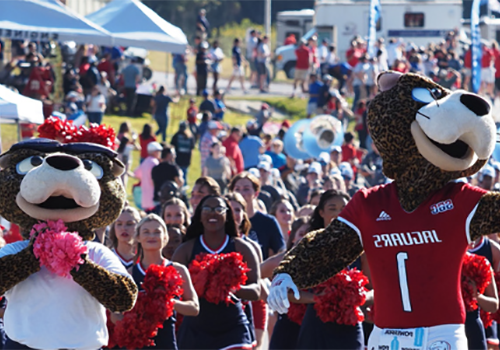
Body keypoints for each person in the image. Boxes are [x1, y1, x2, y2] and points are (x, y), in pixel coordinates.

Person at [173, 195, 261, 350]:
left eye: (219, 209)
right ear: (199, 215)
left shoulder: (242, 247)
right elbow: (172, 288)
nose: (212, 213)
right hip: (196, 329)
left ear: (227, 216)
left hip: (232, 327)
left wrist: (230, 288)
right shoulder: (186, 250)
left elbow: (256, 290)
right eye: (207, 209)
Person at [132, 214, 199, 350]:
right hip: (136, 343)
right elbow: (116, 314)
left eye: (157, 232)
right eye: (146, 232)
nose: (152, 236)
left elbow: (194, 308)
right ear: (138, 237)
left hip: (167, 343)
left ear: (165, 238)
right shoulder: (129, 273)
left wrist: (168, 302)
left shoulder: (178, 269)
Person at [225, 192, 267, 350]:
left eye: (237, 210)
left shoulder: (251, 247)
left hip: (245, 314)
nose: (233, 215)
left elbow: (258, 289)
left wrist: (259, 329)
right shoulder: (211, 243)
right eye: (229, 210)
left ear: (244, 214)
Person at [265, 217, 314, 350]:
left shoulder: (325, 261)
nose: (305, 239)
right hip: (287, 330)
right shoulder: (281, 260)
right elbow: (254, 275)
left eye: (310, 234)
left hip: (315, 329)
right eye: (301, 234)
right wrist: (268, 296)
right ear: (292, 238)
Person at [229, 172, 286, 259]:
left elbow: (280, 252)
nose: (241, 193)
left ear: (256, 193)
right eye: (237, 189)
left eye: (246, 189)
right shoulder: (226, 221)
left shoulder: (268, 222)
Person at [134, 142, 163, 212]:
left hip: (145, 196)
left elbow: (136, 173)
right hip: (153, 195)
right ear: (155, 152)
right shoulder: (155, 163)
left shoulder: (145, 161)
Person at [116, 122, 140, 189]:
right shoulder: (125, 137)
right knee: (124, 175)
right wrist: (134, 138)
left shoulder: (119, 135)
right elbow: (137, 147)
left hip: (119, 157)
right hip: (125, 158)